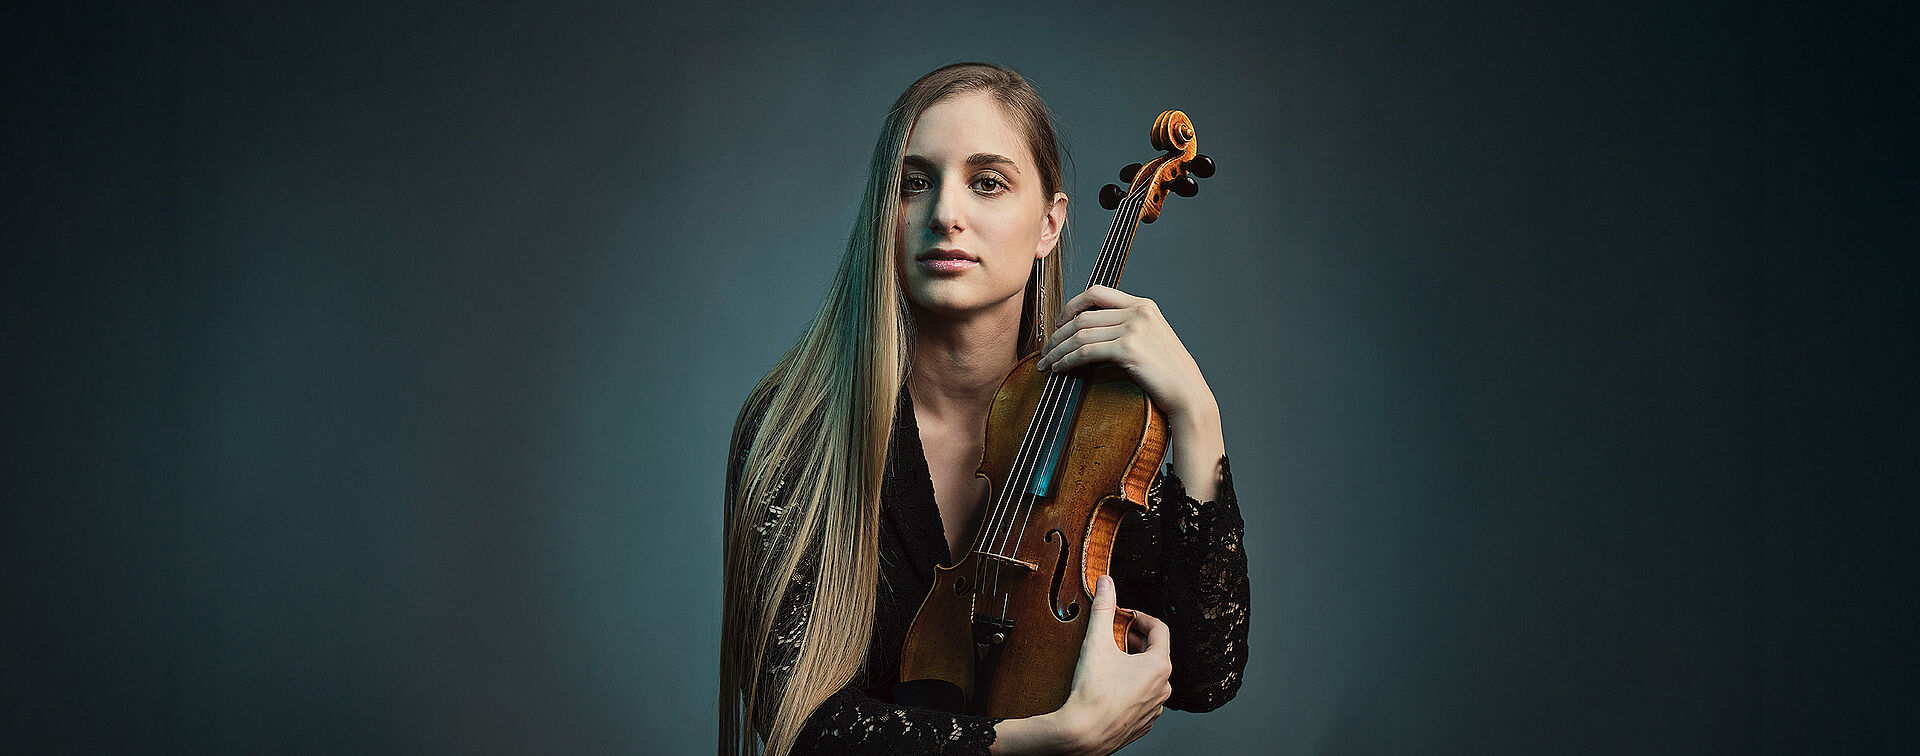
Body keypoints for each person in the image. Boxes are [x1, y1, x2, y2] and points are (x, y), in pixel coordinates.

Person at [720, 62, 1249, 756]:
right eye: (915, 183)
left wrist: (1197, 415)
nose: (945, 213)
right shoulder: (794, 430)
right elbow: (802, 724)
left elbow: (1207, 675)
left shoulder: (1106, 433)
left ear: (1049, 226)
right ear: (886, 214)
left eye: (987, 182)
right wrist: (1047, 740)